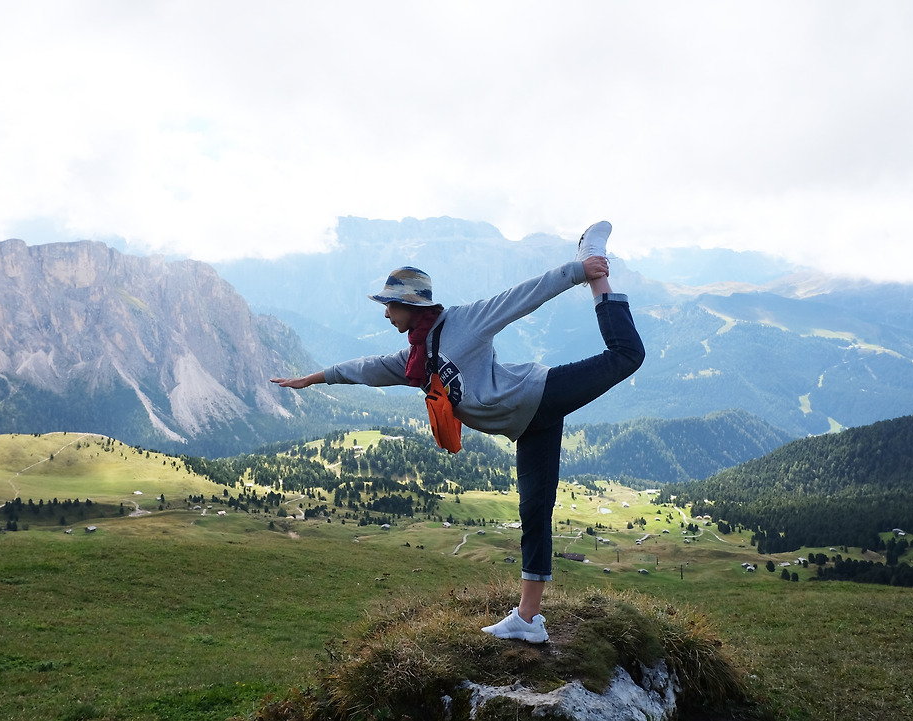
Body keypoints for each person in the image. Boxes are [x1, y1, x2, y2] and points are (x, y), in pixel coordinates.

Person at [270, 221, 645, 643]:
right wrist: (312, 379)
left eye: (389, 305)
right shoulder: (417, 357)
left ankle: (595, 264)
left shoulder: (464, 323)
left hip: (540, 393)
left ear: (409, 305)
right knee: (534, 515)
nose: (385, 313)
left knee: (626, 354)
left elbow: (521, 297)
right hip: (527, 425)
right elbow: (367, 368)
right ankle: (527, 619)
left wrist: (580, 271)